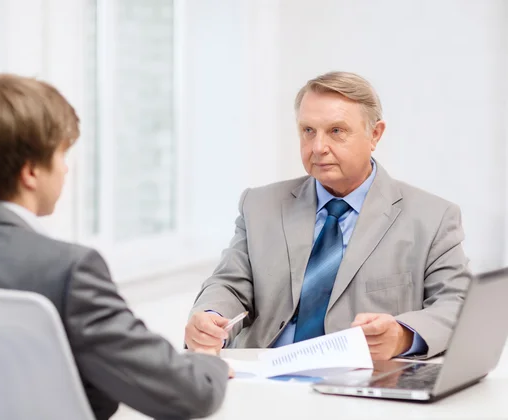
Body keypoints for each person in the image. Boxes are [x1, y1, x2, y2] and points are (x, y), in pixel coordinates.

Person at [0, 74, 230, 419]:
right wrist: (206, 361)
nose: (65, 169)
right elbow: (191, 394)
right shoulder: (69, 271)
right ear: (30, 172)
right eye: (61, 154)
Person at [185, 71, 471, 361]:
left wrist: (402, 334)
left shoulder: (433, 217)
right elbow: (230, 284)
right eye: (308, 131)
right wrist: (210, 316)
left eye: (336, 131)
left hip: (363, 385)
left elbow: (457, 303)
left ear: (375, 134)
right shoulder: (259, 205)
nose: (318, 147)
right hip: (264, 376)